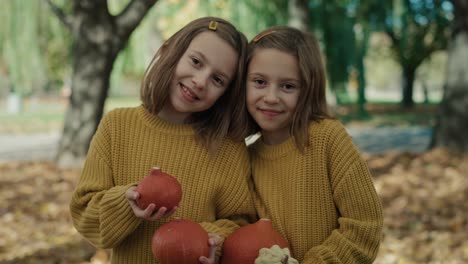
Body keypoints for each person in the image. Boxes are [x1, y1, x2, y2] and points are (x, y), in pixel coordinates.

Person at [69, 17, 256, 264]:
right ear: (170, 52)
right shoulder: (117, 126)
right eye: (196, 62)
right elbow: (85, 216)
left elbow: (241, 223)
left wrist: (209, 241)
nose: (200, 81)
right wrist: (127, 202)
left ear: (226, 93)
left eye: (217, 80)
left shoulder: (227, 147)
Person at [243, 26, 384, 263]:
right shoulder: (246, 155)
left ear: (308, 89)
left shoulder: (327, 138)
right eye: (259, 82)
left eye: (288, 86)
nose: (271, 97)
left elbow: (364, 225)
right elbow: (242, 228)